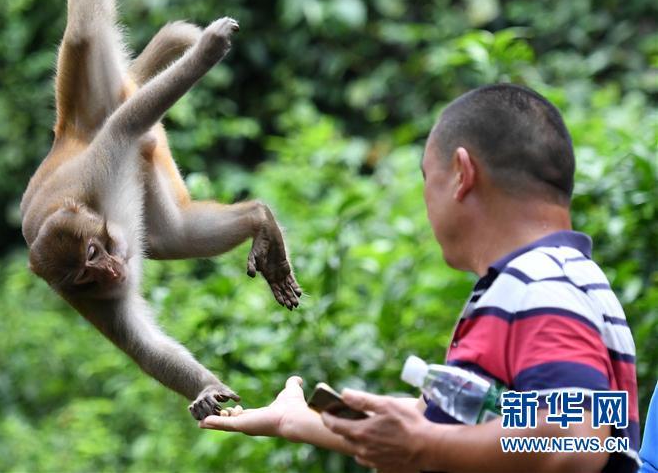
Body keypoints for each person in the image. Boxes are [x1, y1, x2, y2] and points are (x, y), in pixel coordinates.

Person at [200, 84, 641, 473]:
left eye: (429, 178)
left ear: (463, 175)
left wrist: (422, 444)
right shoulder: (557, 280)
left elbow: (576, 440)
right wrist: (297, 420)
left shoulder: (540, 285)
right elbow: (486, 429)